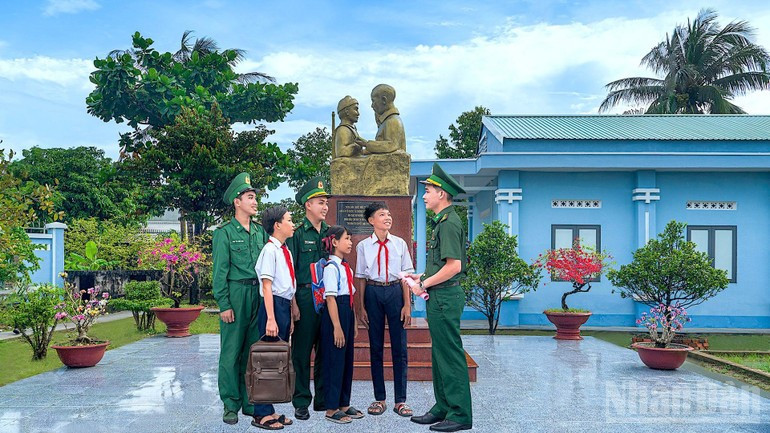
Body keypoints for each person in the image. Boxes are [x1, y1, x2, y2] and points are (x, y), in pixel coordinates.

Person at [407, 163, 473, 432]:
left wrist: (422, 283)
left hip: (445, 297)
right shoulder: (443, 222)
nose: (424, 195)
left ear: (442, 194)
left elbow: (454, 267)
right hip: (440, 296)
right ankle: (443, 407)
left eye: (429, 190)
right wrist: (421, 276)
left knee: (450, 355)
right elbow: (441, 265)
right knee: (439, 355)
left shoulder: (448, 223)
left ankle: (459, 414)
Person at [212, 172, 269, 425]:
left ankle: (250, 400)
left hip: (257, 293)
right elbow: (219, 273)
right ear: (237, 202)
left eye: (255, 197)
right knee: (231, 352)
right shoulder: (224, 233)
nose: (255, 202)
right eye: (250, 197)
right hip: (236, 295)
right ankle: (230, 404)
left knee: (252, 352)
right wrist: (224, 304)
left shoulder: (260, 232)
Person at [355, 202, 414, 417]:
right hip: (373, 292)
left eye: (389, 214)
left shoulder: (400, 244)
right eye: (382, 214)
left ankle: (401, 400)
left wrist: (407, 304)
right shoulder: (363, 246)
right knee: (376, 347)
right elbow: (360, 277)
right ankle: (379, 398)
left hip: (395, 293)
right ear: (371, 220)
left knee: (400, 347)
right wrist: (360, 307)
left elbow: (406, 276)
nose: (388, 217)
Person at [286, 177, 331, 420]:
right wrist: (293, 303)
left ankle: (323, 399)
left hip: (327, 298)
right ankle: (301, 400)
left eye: (326, 203)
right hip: (304, 297)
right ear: (307, 205)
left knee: (324, 350)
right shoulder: (296, 234)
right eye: (320, 202)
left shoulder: (330, 233)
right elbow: (290, 271)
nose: (325, 207)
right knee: (301, 352)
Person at [252, 206, 298, 430]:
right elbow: (267, 286)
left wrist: (290, 310)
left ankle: (269, 408)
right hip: (273, 306)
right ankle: (261, 413)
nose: (293, 224)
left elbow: (287, 285)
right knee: (268, 361)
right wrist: (271, 318)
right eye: (289, 220)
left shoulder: (284, 250)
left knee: (277, 359)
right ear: (277, 225)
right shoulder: (270, 250)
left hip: (283, 305)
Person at [319, 226, 364, 424]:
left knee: (346, 360)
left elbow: (350, 298)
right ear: (335, 242)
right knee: (334, 361)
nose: (350, 242)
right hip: (334, 315)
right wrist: (337, 326)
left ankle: (344, 403)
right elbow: (330, 299)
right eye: (347, 238)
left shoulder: (347, 267)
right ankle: (331, 407)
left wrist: (352, 323)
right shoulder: (331, 268)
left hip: (346, 313)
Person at [359, 84, 406, 155]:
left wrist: (367, 144)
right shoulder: (386, 121)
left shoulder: (393, 121)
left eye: (373, 101)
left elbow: (391, 145)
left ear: (384, 100)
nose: (372, 105)